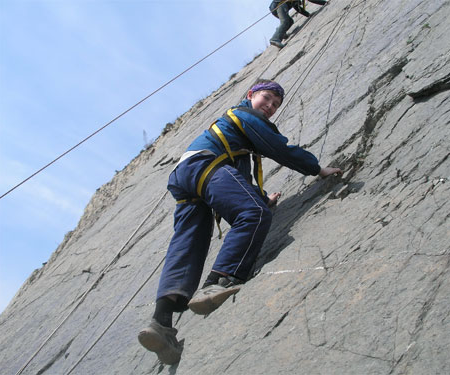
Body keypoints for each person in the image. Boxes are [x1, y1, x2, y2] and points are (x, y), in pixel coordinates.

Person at [138, 80, 342, 365]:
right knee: (255, 214)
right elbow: (277, 147)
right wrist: (316, 168)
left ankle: (160, 323)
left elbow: (238, 179)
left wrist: (260, 195)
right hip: (204, 166)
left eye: (275, 104)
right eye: (267, 98)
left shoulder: (234, 135)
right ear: (250, 96)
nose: (270, 107)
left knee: (187, 245)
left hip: (186, 176)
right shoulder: (244, 115)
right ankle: (218, 281)